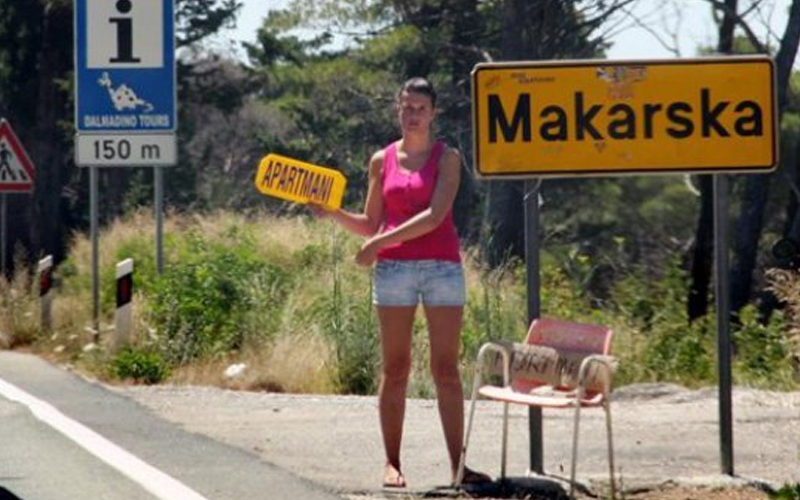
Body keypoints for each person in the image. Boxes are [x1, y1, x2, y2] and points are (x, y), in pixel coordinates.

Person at [313, 77, 490, 488]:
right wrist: (333, 212)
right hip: (394, 271)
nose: (412, 115)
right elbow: (371, 222)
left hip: (442, 268)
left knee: (445, 369)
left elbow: (433, 216)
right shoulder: (381, 160)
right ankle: (392, 463)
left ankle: (458, 467)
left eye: (420, 108)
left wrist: (377, 243)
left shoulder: (448, 159)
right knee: (396, 369)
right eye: (406, 107)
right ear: (398, 109)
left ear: (434, 113)